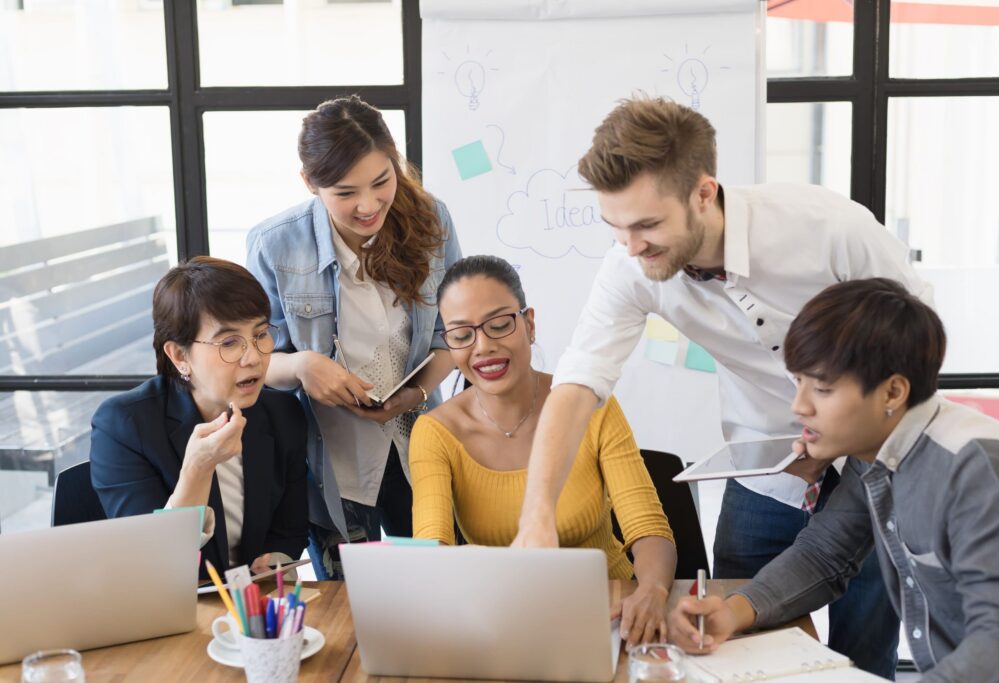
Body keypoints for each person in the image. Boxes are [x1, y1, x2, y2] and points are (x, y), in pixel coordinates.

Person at [513, 96, 930, 678]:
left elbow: (918, 343)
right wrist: (537, 516)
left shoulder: (827, 228)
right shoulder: (629, 267)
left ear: (703, 193)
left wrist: (843, 435)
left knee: (861, 658)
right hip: (764, 470)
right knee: (731, 641)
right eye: (617, 228)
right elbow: (577, 385)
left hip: (874, 460)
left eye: (648, 226)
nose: (631, 247)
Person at [668, 278, 999, 682]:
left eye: (821, 388)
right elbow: (825, 554)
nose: (799, 406)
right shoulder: (876, 452)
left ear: (892, 392)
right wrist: (732, 611)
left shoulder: (975, 466)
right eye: (798, 382)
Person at [409, 255, 677, 646]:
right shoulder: (436, 432)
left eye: (500, 325)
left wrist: (651, 591)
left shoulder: (591, 403)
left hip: (610, 612)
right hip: (502, 621)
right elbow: (431, 549)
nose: (483, 347)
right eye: (462, 335)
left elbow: (649, 528)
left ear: (529, 323)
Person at [247, 95, 461, 578]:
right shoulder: (274, 243)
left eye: (382, 181)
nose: (368, 205)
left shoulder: (433, 219)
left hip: (420, 441)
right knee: (350, 606)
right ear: (310, 183)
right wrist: (301, 366)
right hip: (330, 463)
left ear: (395, 162)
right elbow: (252, 361)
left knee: (436, 588)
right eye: (345, 193)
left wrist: (417, 391)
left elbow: (454, 334)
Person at [90, 256, 309, 576]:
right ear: (180, 356)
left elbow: (289, 530)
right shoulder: (123, 425)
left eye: (261, 334)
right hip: (168, 606)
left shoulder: (282, 413)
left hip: (249, 610)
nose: (254, 357)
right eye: (230, 342)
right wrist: (199, 466)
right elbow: (150, 561)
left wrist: (275, 559)